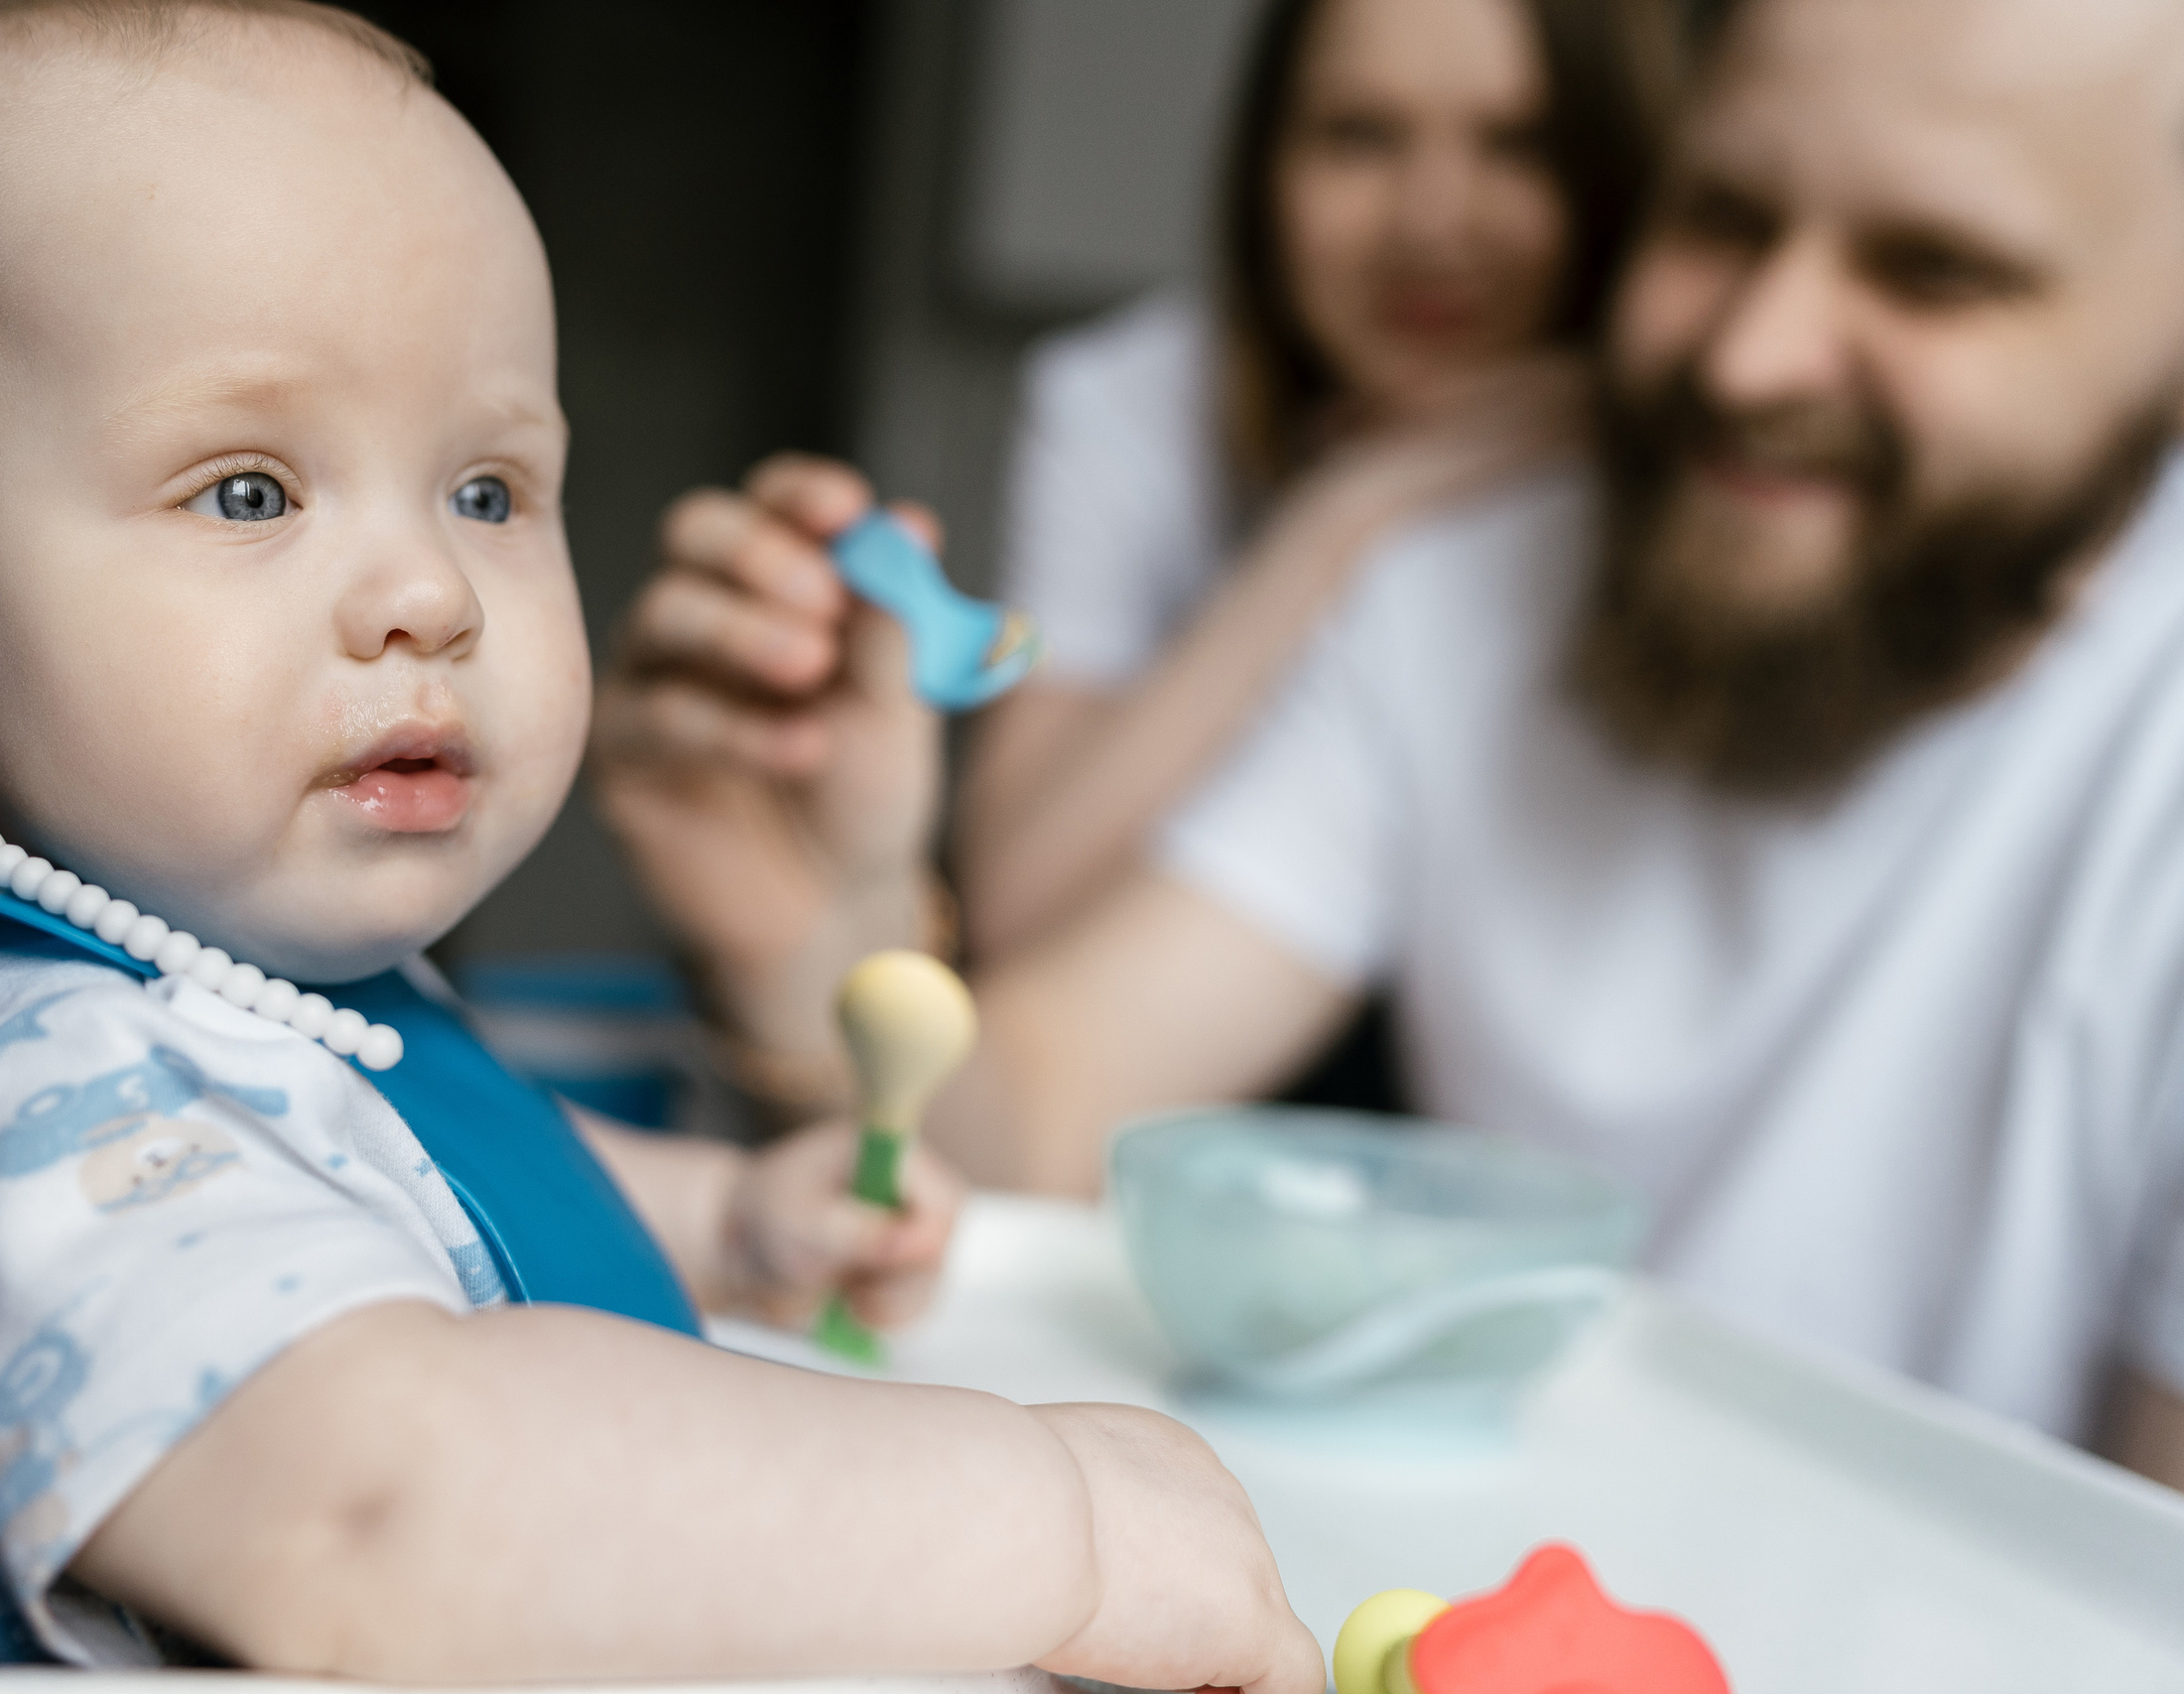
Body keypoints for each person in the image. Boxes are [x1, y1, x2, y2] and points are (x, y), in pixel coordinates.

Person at [0, 5, 1326, 1690]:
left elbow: (377, 1173)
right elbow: (375, 1516)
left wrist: (723, 1215)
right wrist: (1057, 1519)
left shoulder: (197, 990)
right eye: (248, 491)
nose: (429, 595)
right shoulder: (26, 1086)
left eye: (490, 491)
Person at [594, 0, 2184, 1490]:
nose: (1750, 356)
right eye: (1723, 219)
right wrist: (824, 932)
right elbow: (1051, 1117)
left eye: (1934, 270)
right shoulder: (1473, 575)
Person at [963, 0, 1667, 962]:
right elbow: (1015, 893)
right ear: (1263, 168)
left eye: (1519, 146)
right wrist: (1348, 511)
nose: (1430, 223)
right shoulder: (1130, 401)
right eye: (1359, 137)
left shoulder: (1691, 458)